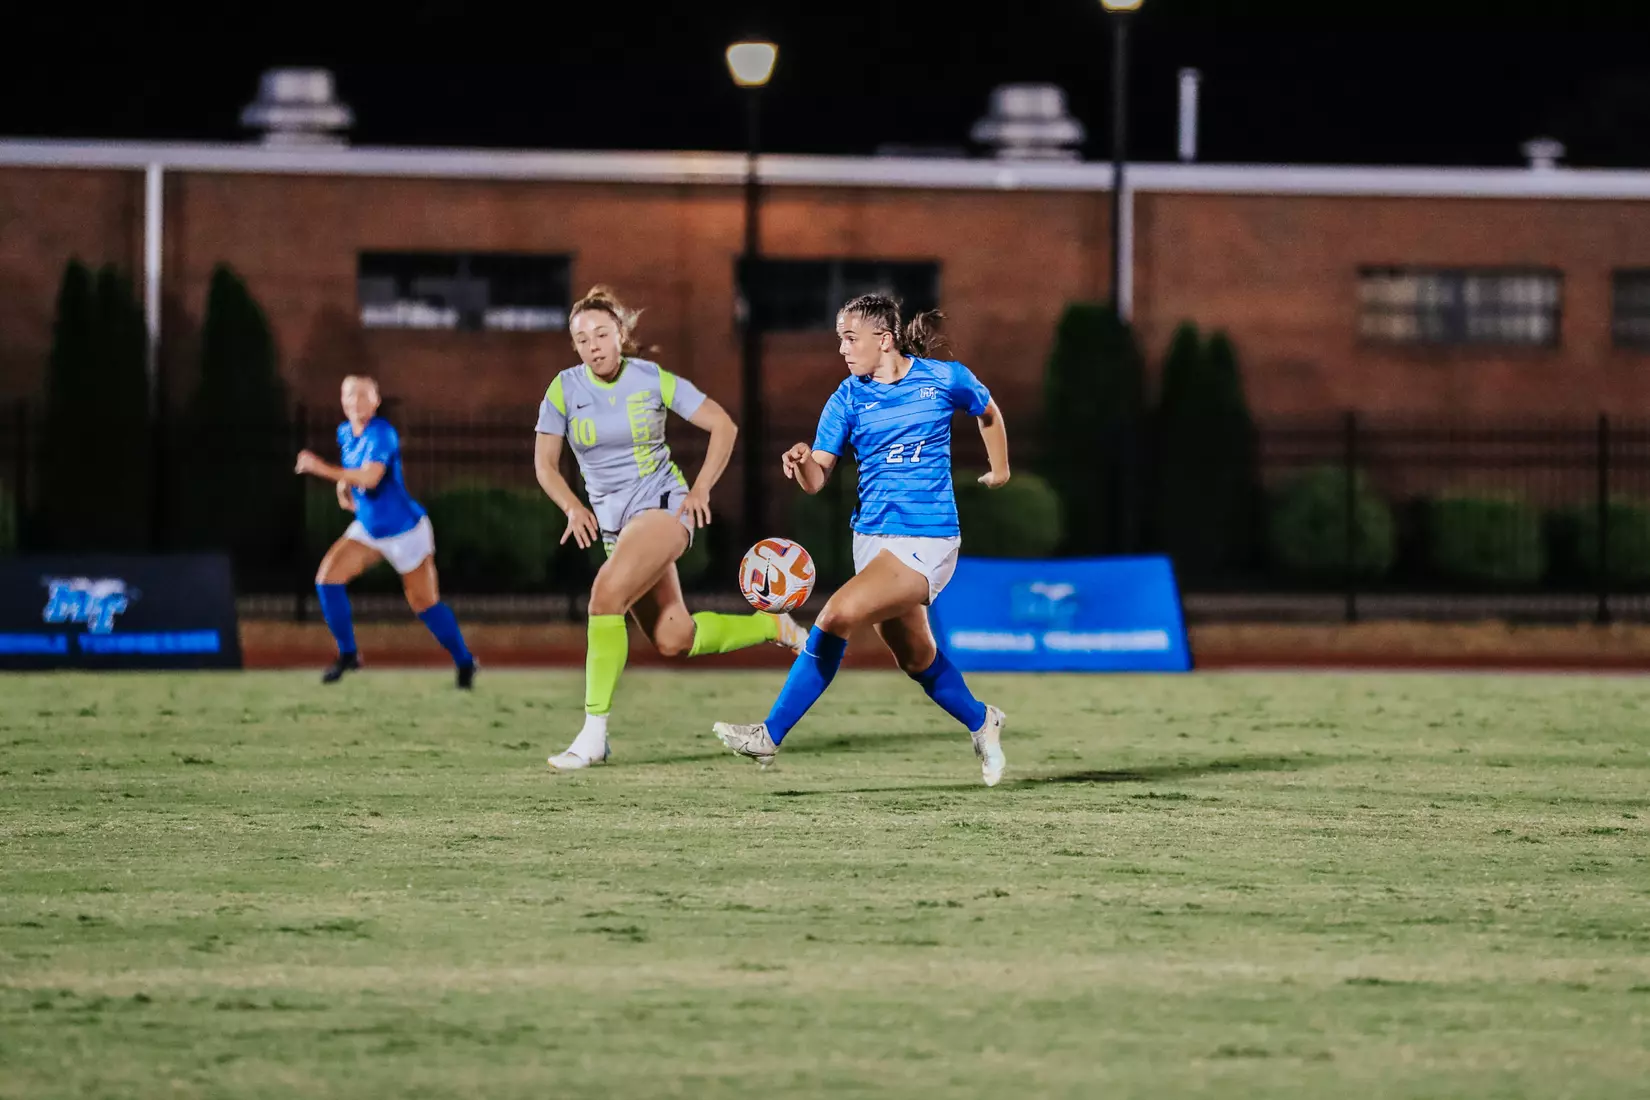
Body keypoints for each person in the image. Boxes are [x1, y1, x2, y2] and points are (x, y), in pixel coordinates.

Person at [712, 294, 1011, 786]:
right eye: (840, 340)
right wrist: (802, 461)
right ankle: (983, 721)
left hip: (928, 539)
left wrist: (999, 469)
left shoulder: (943, 379)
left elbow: (987, 410)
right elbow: (817, 478)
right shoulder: (847, 397)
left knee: (835, 617)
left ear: (885, 339)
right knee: (918, 659)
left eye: (851, 338)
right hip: (870, 541)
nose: (843, 349)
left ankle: (768, 735)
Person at [534, 285, 805, 771]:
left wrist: (699, 490)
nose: (593, 345)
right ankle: (773, 624)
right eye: (582, 339)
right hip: (620, 529)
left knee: (603, 596)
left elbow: (723, 424)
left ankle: (593, 736)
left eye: (601, 333)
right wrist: (573, 507)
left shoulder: (649, 378)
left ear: (620, 334)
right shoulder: (563, 389)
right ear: (573, 346)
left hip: (664, 509)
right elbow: (546, 467)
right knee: (673, 637)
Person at [295, 375, 477, 688]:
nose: (356, 402)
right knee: (327, 580)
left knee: (425, 604)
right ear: (342, 400)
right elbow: (354, 472)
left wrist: (319, 468)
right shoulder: (345, 432)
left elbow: (370, 479)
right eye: (350, 395)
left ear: (377, 402)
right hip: (368, 530)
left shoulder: (383, 433)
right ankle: (349, 654)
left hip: (406, 532)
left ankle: (464, 661)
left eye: (364, 396)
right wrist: (342, 484)